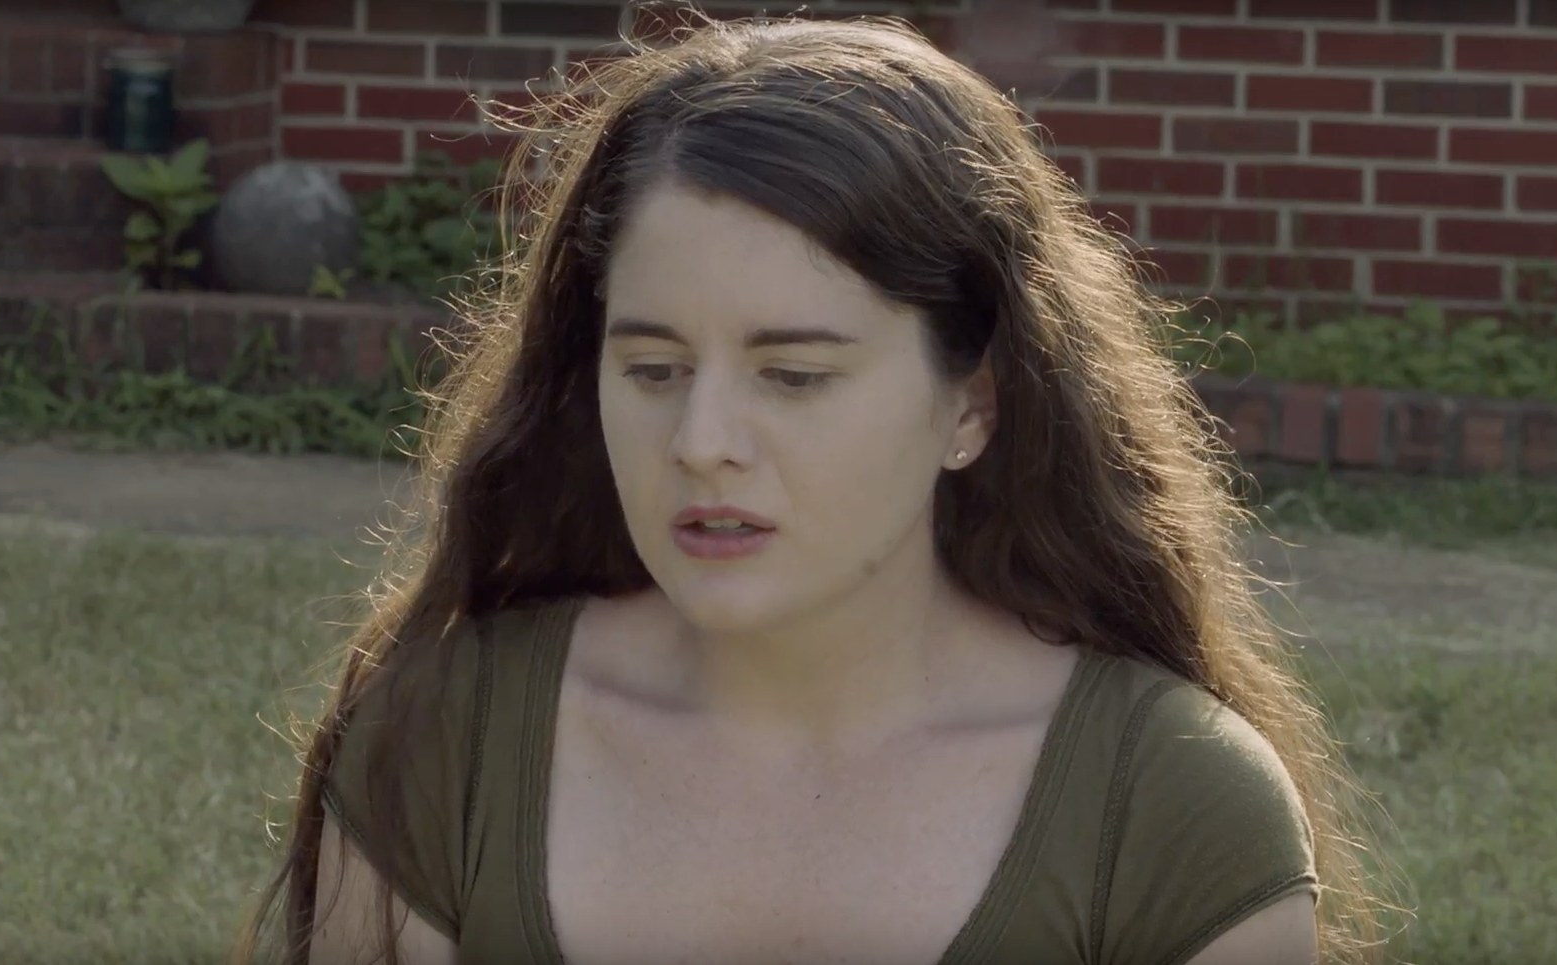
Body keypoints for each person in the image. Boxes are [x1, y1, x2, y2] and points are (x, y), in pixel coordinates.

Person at [233, 14, 1396, 965]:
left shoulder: (1170, 806)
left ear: (972, 404)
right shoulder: (448, 736)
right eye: (652, 369)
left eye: (793, 375)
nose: (701, 442)